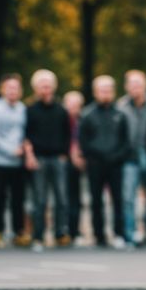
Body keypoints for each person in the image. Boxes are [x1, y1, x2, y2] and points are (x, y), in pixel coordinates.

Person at [79, 76, 130, 248]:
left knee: (118, 200)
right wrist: (95, 157)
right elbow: (83, 141)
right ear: (95, 92)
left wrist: (117, 156)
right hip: (95, 164)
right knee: (96, 200)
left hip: (115, 164)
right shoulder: (87, 114)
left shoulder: (120, 114)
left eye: (108, 90)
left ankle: (118, 234)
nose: (105, 93)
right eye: (102, 90)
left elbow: (125, 141)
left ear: (113, 91)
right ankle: (99, 235)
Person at [24, 69, 71, 251]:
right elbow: (26, 135)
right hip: (39, 159)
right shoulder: (30, 110)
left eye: (49, 85)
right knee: (40, 200)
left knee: (61, 199)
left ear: (54, 87)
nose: (46, 89)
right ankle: (38, 237)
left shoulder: (61, 110)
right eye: (42, 85)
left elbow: (67, 134)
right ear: (36, 88)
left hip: (57, 158)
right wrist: (30, 155)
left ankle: (60, 234)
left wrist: (64, 154)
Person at [117, 70, 146, 246]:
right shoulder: (121, 106)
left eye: (139, 84)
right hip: (129, 157)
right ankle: (130, 234)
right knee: (128, 198)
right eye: (132, 84)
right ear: (127, 87)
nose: (136, 87)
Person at [0, 73, 27, 249]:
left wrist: (23, 149)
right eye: (9, 88)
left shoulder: (23, 109)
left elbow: (25, 132)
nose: (12, 91)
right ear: (2, 89)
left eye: (15, 88)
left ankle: (18, 232)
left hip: (18, 163)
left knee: (18, 199)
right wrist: (11, 150)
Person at [63, 90, 86, 246]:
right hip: (63, 162)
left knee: (76, 199)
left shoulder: (84, 120)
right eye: (70, 104)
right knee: (62, 199)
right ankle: (62, 229)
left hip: (79, 164)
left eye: (76, 105)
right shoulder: (59, 119)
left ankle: (74, 230)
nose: (73, 108)